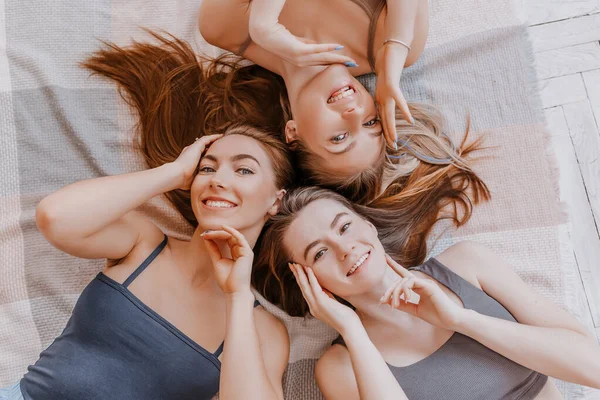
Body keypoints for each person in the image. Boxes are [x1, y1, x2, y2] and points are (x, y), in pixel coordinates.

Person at [1, 126, 293, 400]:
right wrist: (174, 172)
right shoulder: (144, 243)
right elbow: (55, 217)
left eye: (244, 170)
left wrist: (238, 296)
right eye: (207, 168)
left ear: (276, 201)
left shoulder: (265, 330)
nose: (218, 180)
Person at [252, 186, 600, 399]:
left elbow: (593, 366)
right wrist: (353, 332)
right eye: (319, 253)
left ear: (368, 225)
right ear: (308, 282)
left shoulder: (466, 264)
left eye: (344, 226)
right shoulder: (340, 365)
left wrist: (463, 320)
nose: (344, 247)